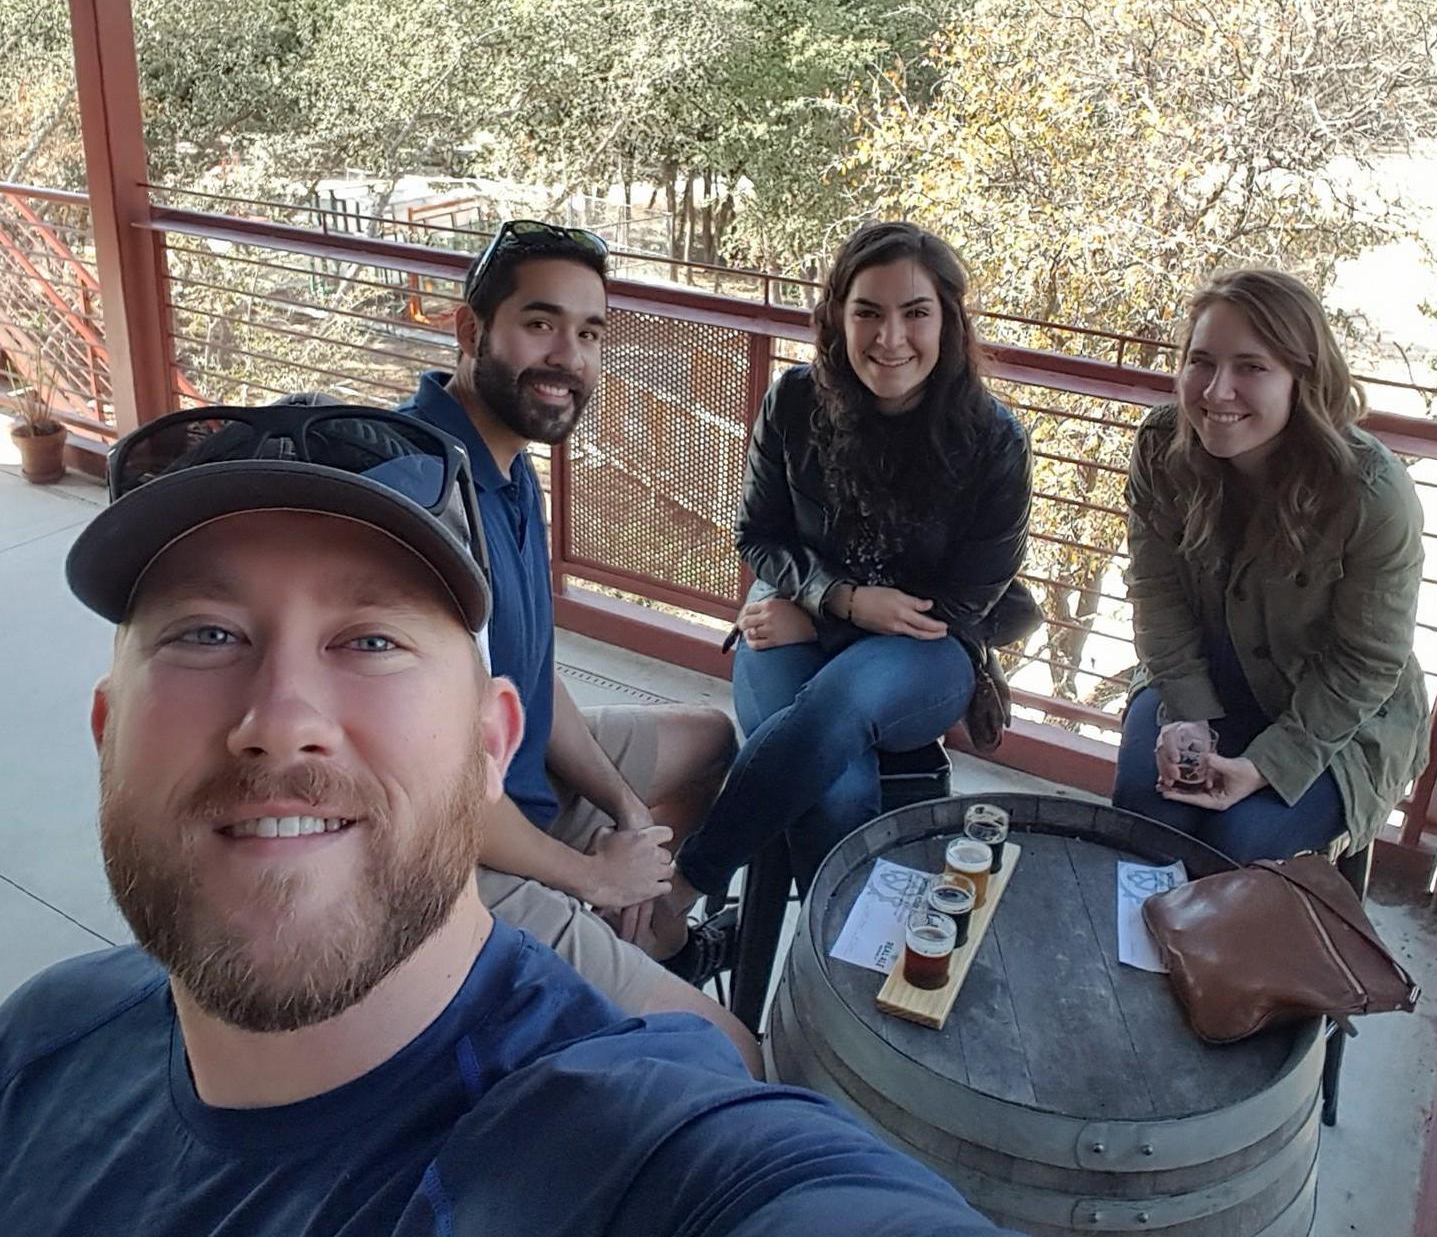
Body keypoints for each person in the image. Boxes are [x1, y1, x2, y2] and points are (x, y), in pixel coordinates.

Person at [0, 401, 996, 1235]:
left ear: (489, 739)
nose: (281, 724)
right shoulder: (42, 1045)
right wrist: (601, 872)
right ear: (107, 730)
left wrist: (615, 819)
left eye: (370, 640)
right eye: (206, 634)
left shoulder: (643, 1151)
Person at [396, 219, 755, 1070]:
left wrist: (630, 816)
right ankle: (605, 959)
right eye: (540, 323)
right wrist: (590, 876)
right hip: (458, 856)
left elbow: (532, 676)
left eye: (589, 333)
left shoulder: (509, 468)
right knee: (736, 1054)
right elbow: (437, 792)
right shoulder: (431, 499)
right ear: (470, 329)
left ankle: (655, 941)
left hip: (518, 777)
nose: (568, 355)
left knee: (713, 741)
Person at [669, 221, 1037, 908]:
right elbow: (758, 534)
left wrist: (828, 621)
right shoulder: (796, 401)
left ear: (948, 322)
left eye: (915, 313)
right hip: (791, 613)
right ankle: (839, 960)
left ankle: (685, 886)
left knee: (841, 700)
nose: (889, 338)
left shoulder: (995, 442)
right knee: (830, 782)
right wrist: (833, 596)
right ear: (837, 316)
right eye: (868, 311)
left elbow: (966, 603)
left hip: (927, 649)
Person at [1113, 267, 1429, 862]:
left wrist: (1265, 765)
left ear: (1301, 380)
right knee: (1146, 818)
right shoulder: (1163, 447)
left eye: (1251, 367)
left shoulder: (1369, 493)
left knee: (1240, 846)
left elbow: (1367, 663)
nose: (1216, 391)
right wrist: (1185, 714)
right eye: (1202, 361)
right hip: (1200, 673)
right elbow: (1156, 592)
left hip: (1335, 718)